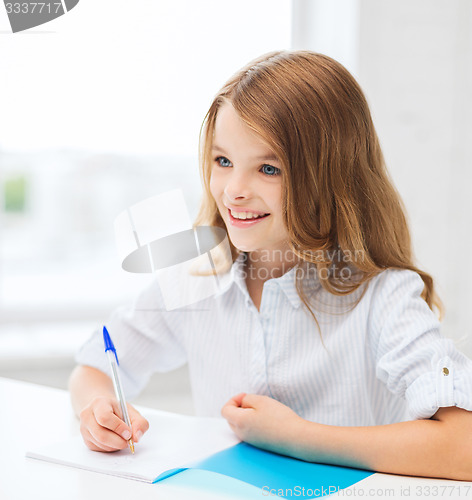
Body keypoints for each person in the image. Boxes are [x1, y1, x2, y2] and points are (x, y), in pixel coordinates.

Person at [69, 50, 472, 480]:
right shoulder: (198, 275)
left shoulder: (383, 296)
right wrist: (97, 409)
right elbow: (97, 364)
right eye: (223, 162)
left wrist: (299, 435)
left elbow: (463, 445)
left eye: (268, 168)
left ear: (330, 178)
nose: (234, 191)